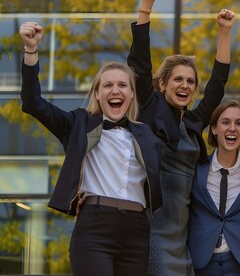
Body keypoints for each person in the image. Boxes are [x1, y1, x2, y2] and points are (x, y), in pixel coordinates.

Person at [19, 21, 163, 276]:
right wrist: (31, 51)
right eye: (107, 85)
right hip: (94, 226)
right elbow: (33, 103)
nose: (115, 90)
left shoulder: (147, 133)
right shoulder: (78, 124)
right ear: (97, 94)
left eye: (122, 85)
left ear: (131, 94)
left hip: (138, 230)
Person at [127, 0, 234, 276]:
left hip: (182, 235)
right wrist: (146, 6)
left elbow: (218, 85)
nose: (185, 85)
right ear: (162, 84)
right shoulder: (150, 109)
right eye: (178, 80)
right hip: (152, 229)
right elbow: (138, 63)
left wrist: (224, 31)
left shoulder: (195, 121)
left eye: (190, 81)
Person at [188, 100, 240, 276]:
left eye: (239, 123)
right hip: (202, 263)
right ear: (214, 129)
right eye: (225, 122)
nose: (232, 128)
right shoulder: (195, 168)